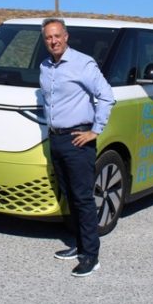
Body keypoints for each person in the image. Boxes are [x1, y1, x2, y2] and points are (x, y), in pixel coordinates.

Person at [39, 18, 115, 277]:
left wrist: (95, 130)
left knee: (83, 198)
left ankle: (91, 256)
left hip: (77, 140)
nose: (53, 41)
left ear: (66, 36)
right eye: (49, 37)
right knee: (69, 195)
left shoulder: (83, 63)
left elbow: (107, 96)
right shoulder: (45, 66)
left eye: (57, 36)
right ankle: (80, 245)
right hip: (56, 139)